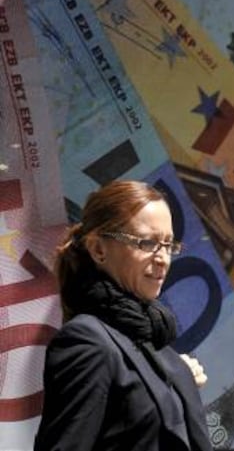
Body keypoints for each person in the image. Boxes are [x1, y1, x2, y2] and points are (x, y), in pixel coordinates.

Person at [34, 179, 212, 451]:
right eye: (147, 242)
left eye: (168, 244)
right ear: (98, 249)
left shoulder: (153, 339)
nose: (163, 258)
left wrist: (178, 381)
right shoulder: (87, 342)